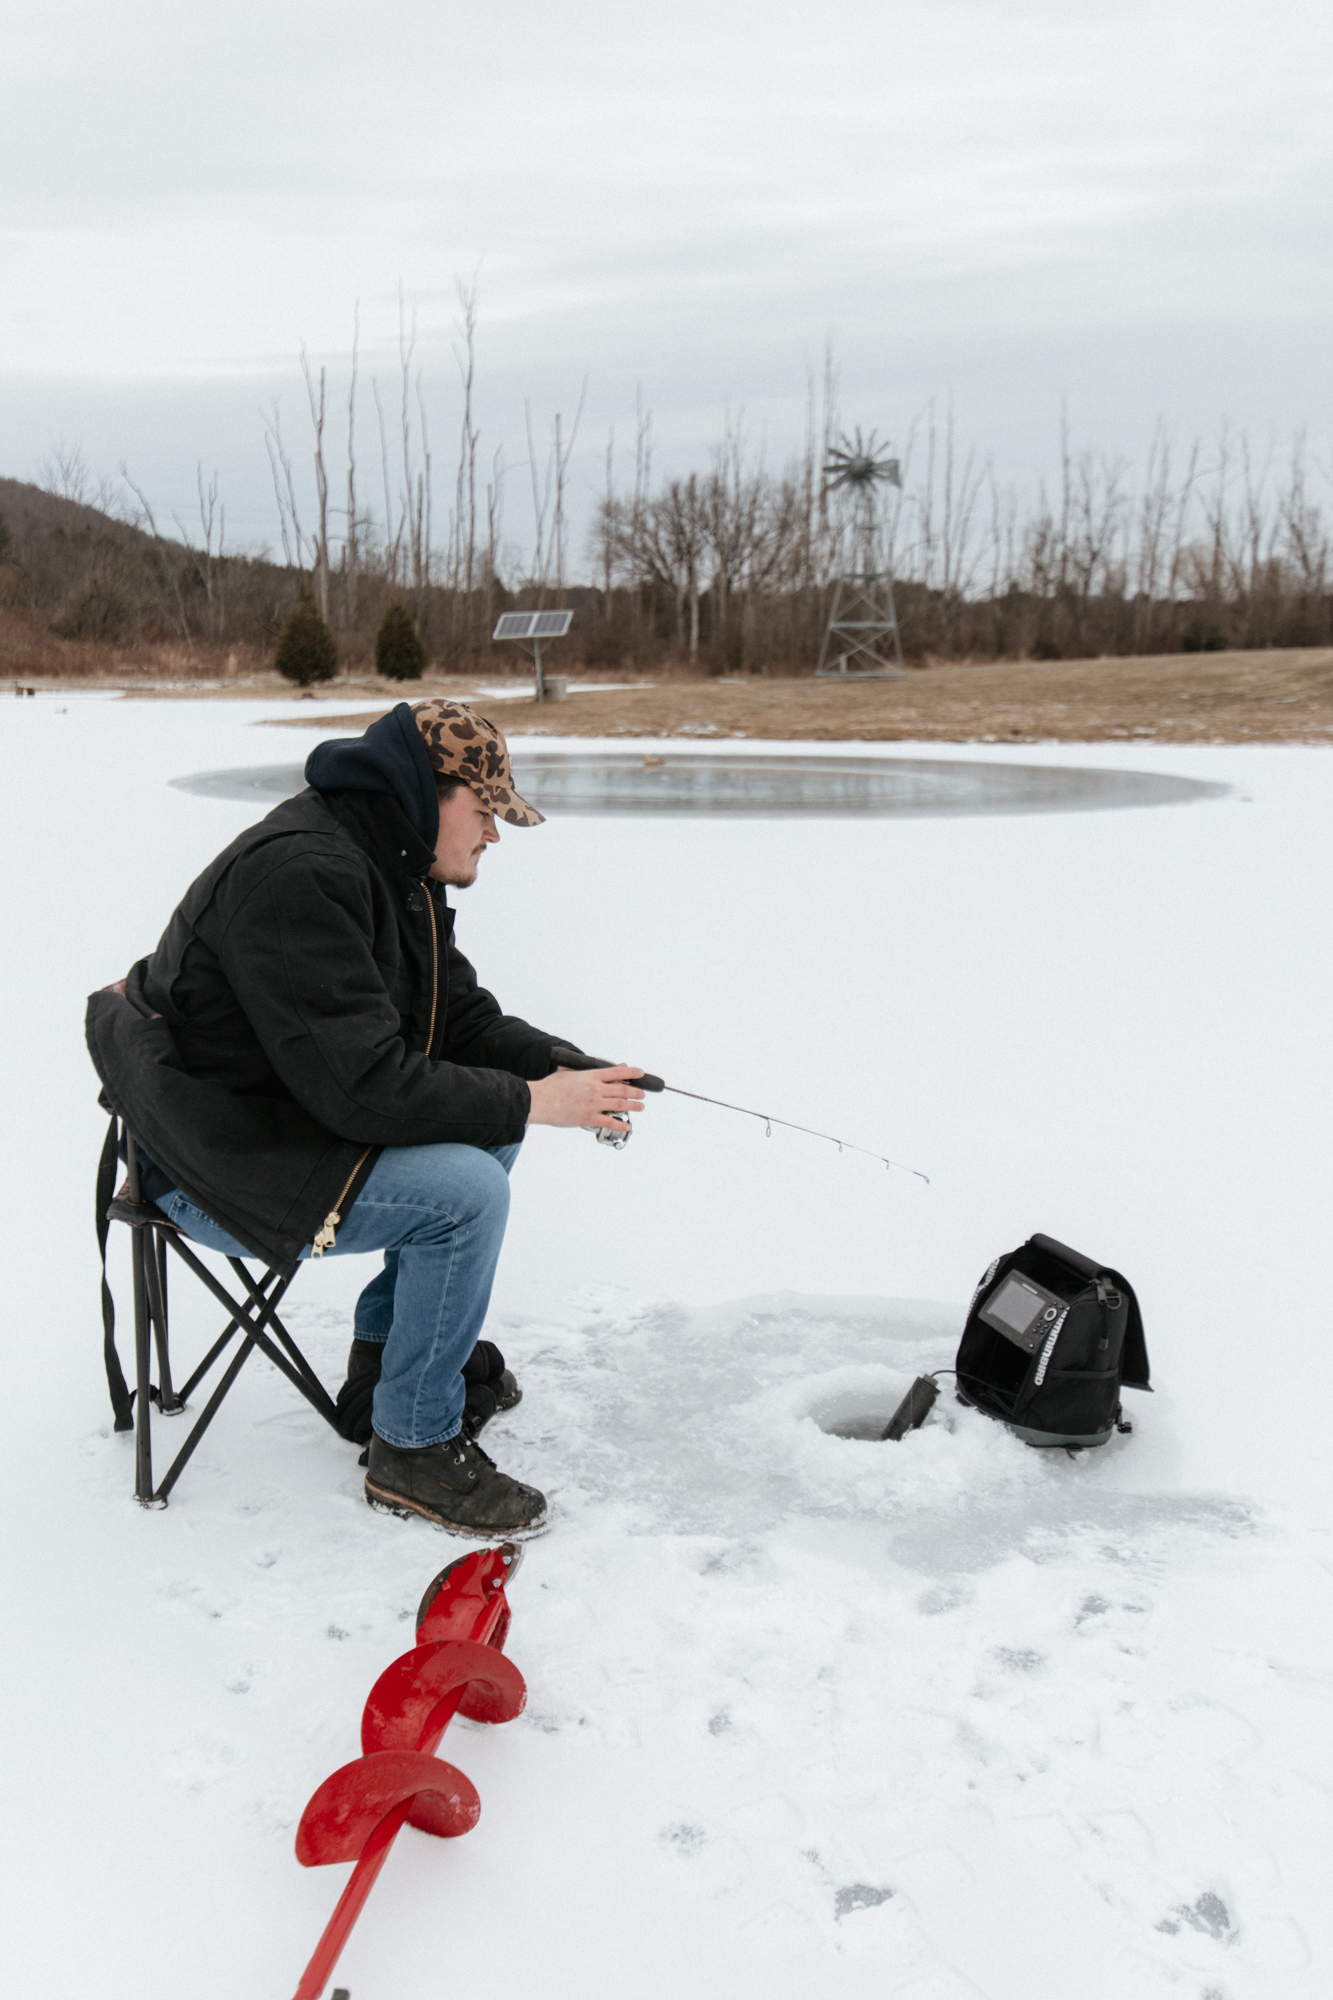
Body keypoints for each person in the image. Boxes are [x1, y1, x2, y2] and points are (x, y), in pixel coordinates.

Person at [85, 698, 645, 1536]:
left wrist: (563, 1067)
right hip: (220, 1165)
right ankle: (411, 1448)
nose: (494, 833)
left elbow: (459, 1020)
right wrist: (537, 1103)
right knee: (467, 1191)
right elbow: (362, 1091)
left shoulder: (389, 862)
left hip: (281, 1126)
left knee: (488, 1130)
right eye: (487, 810)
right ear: (431, 792)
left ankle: (387, 1371)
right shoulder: (304, 874)